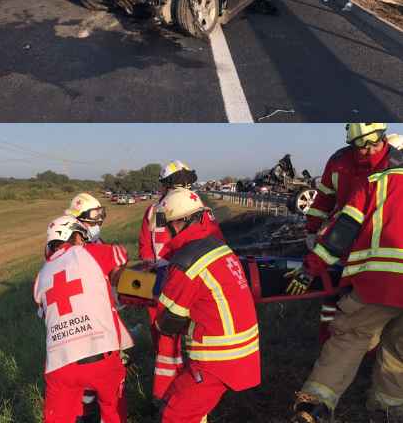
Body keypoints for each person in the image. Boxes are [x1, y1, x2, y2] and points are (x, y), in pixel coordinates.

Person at [287, 142, 403, 422]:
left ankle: (314, 408)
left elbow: (343, 232)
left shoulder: (373, 183)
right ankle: (390, 406)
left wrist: (309, 268)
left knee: (350, 338)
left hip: (379, 283)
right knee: (398, 345)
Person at [154, 188, 261, 421]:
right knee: (189, 404)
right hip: (242, 350)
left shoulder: (186, 261)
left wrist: (159, 297)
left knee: (176, 414)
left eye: (169, 225)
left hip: (216, 358)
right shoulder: (218, 246)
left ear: (178, 223)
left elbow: (169, 322)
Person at [302, 124, 398, 344]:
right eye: (362, 146)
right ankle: (328, 340)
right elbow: (323, 199)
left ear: (383, 138)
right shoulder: (338, 163)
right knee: (333, 297)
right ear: (352, 144)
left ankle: (361, 346)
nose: (370, 151)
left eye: (375, 144)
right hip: (342, 239)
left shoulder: (393, 164)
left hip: (375, 245)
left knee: (369, 306)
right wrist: (311, 229)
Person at [33, 215, 132, 423]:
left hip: (59, 364)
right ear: (75, 237)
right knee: (113, 412)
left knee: (58, 418)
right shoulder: (89, 252)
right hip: (100, 357)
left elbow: (44, 313)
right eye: (81, 237)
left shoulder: (40, 276)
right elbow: (121, 255)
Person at [138, 161, 216, 399]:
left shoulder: (154, 211)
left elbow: (145, 251)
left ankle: (165, 392)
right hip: (193, 278)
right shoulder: (199, 207)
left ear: (165, 184)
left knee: (165, 339)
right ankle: (192, 384)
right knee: (195, 334)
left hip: (159, 281)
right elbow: (215, 244)